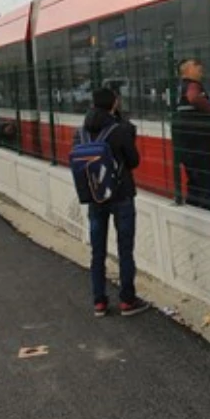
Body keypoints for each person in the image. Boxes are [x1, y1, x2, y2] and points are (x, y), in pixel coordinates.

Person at [79, 87, 149, 317]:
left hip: (94, 196)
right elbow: (134, 161)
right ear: (114, 103)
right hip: (121, 196)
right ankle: (127, 300)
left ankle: (99, 301)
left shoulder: (81, 132)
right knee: (125, 249)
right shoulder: (118, 130)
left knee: (97, 251)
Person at [173, 58, 210, 210]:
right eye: (196, 65)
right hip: (198, 143)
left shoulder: (180, 88)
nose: (201, 67)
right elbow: (194, 98)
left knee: (195, 184)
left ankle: (193, 213)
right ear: (186, 70)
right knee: (208, 187)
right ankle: (206, 217)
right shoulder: (192, 85)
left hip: (187, 143)